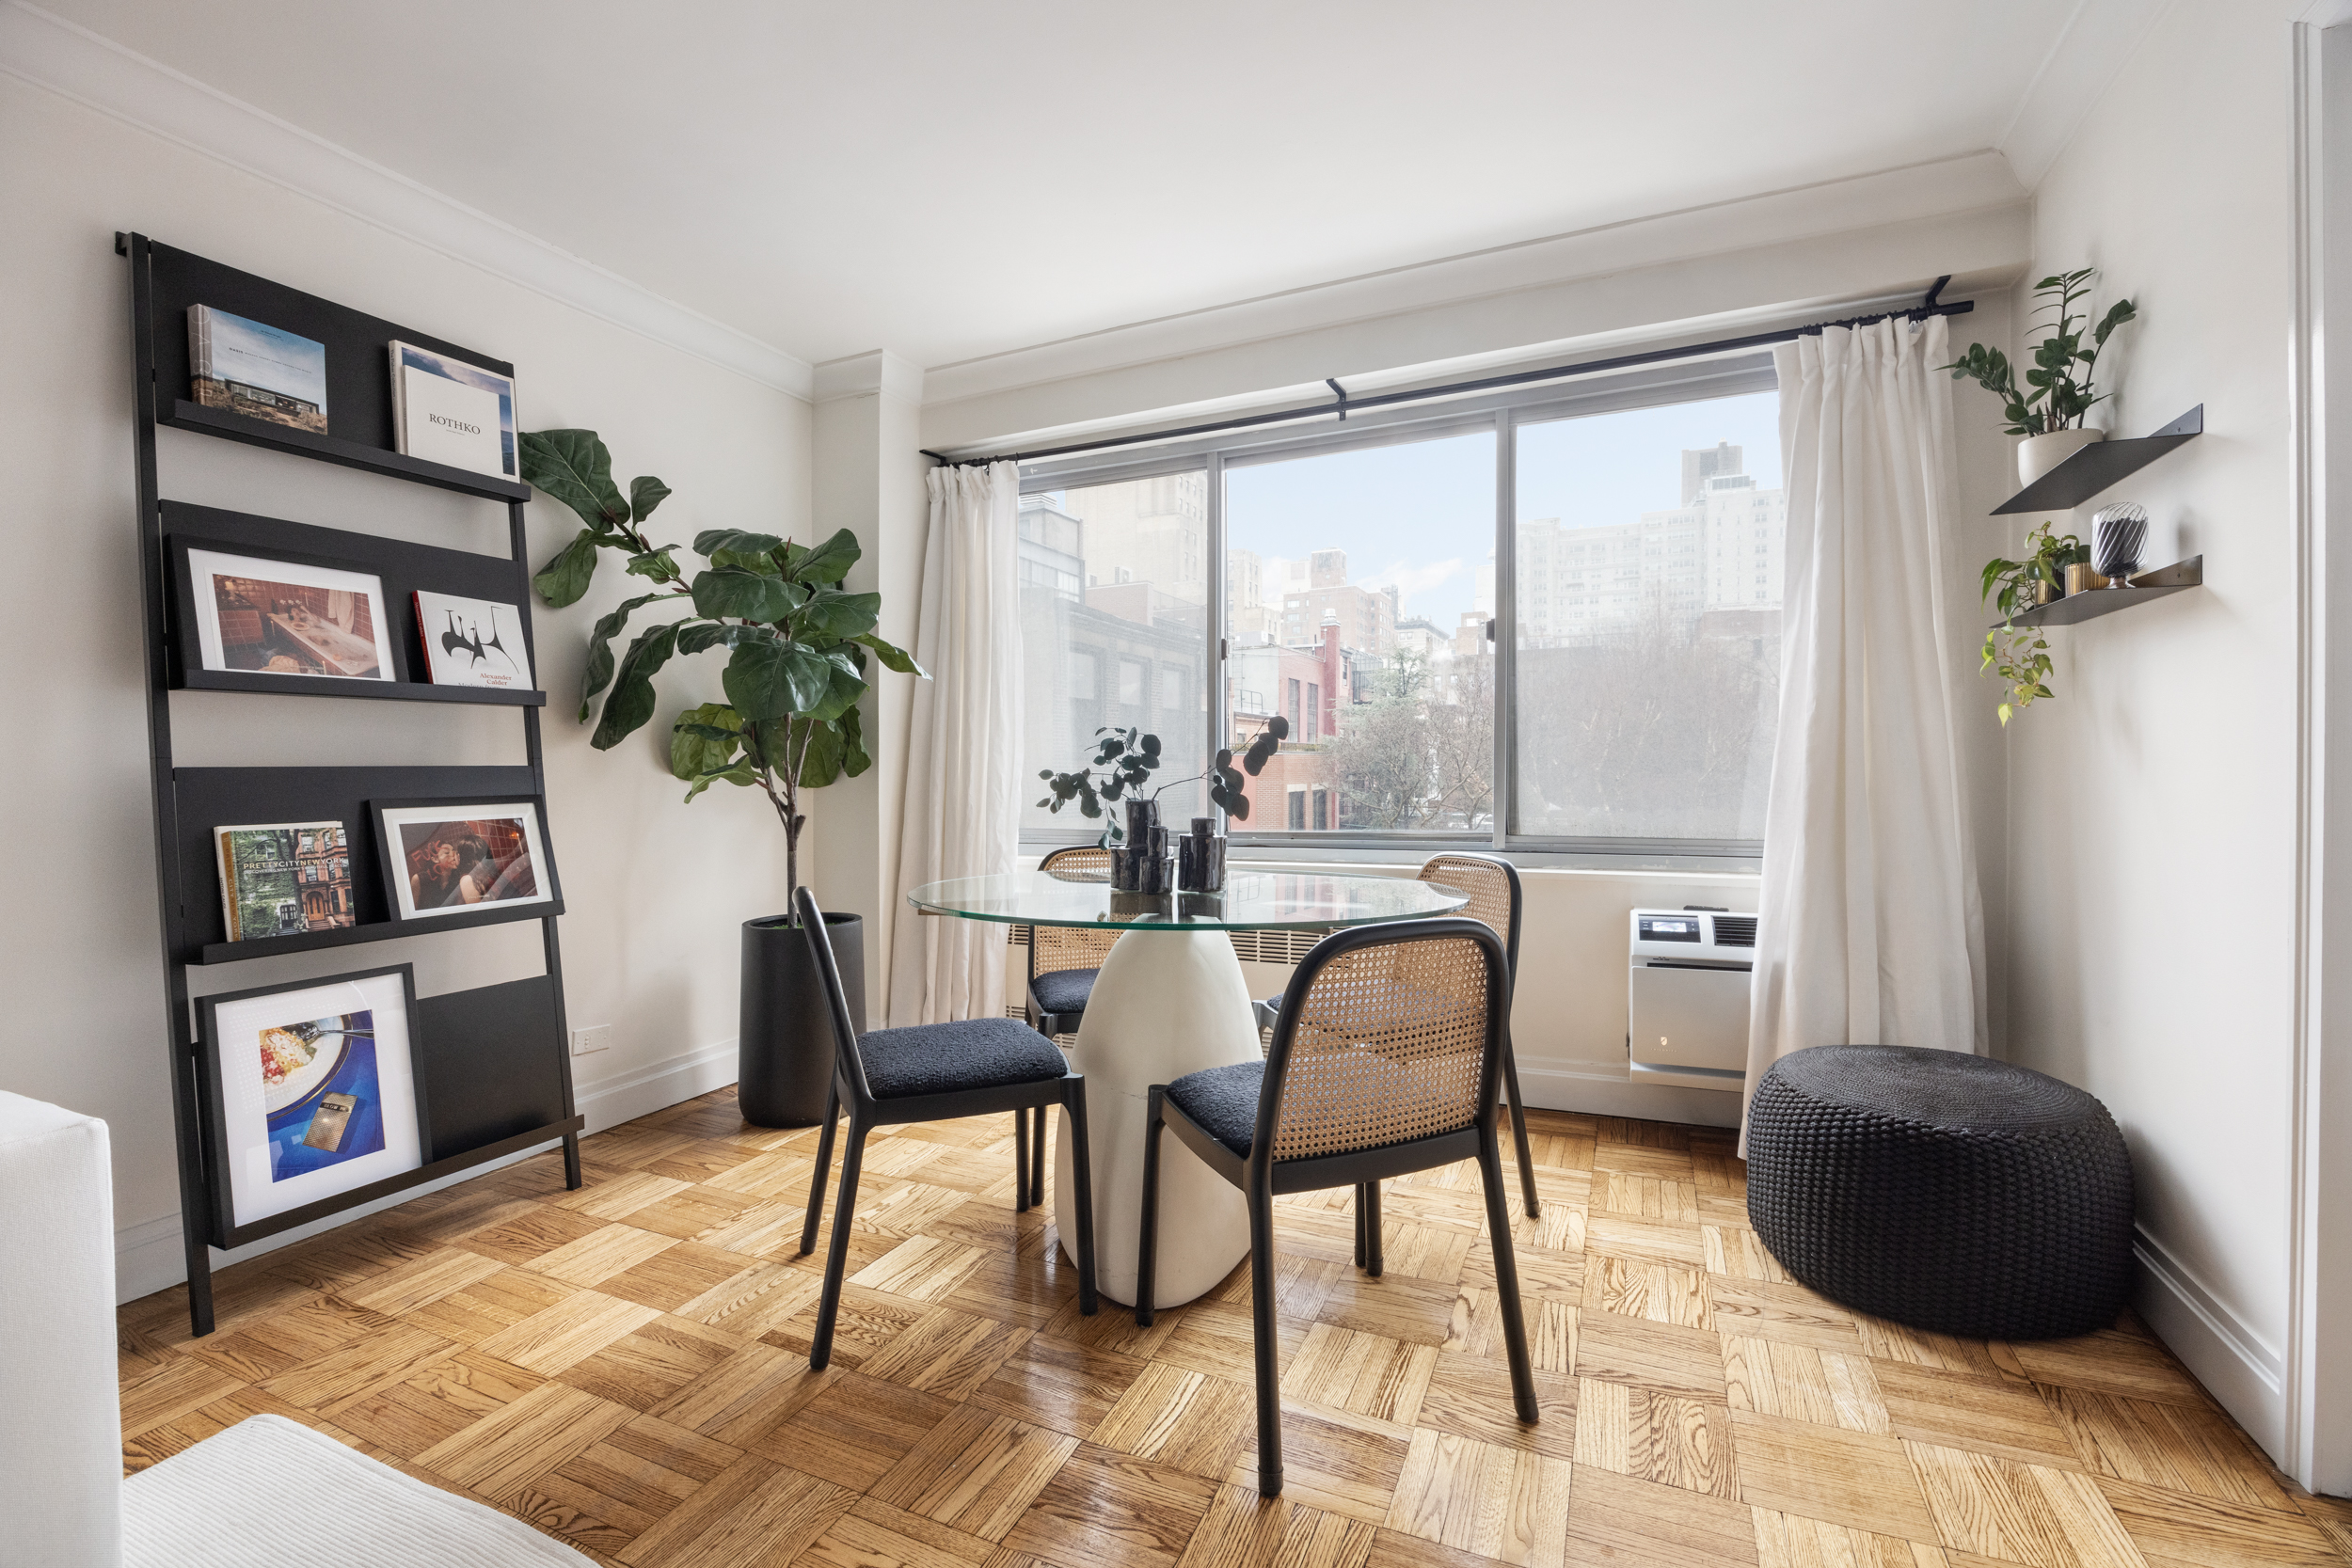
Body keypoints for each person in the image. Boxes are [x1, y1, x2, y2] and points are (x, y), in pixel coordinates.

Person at [409, 838, 459, 910]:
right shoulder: (420, 879)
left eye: (454, 851)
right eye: (447, 853)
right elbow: (412, 910)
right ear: (435, 859)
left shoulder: (459, 879)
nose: (453, 855)